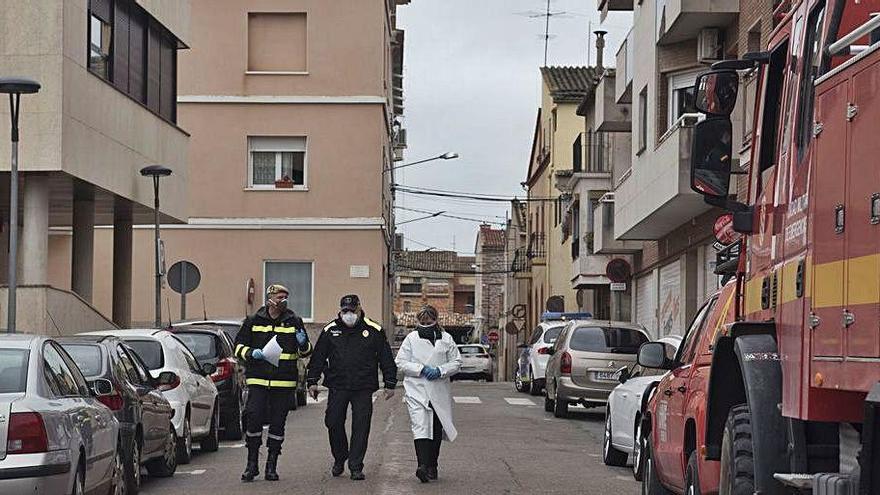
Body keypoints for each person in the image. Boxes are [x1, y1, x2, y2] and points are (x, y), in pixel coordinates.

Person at [306, 294, 398, 481]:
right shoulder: (330, 330)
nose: (348, 314)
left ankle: (356, 465)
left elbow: (386, 357)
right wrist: (312, 380)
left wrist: (390, 382)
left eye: (352, 311)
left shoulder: (373, 330)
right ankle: (340, 457)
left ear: (359, 309)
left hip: (363, 386)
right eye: (345, 311)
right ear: (340, 311)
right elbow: (318, 357)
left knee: (361, 427)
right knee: (333, 421)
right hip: (338, 385)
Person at [234, 284, 312, 482]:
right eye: (279, 297)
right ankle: (252, 464)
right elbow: (238, 347)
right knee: (254, 417)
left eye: (286, 297)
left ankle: (271, 465)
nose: (283, 301)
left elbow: (305, 352)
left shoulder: (294, 321)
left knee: (278, 424)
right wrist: (251, 353)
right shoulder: (253, 321)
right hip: (258, 380)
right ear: (270, 299)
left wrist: (303, 343)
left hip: (283, 382)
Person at [395, 305, 462, 483]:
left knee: (436, 429)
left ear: (436, 320)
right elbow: (400, 362)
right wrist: (421, 369)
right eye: (422, 322)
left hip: (439, 390)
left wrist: (440, 370)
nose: (425, 325)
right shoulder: (411, 338)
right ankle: (422, 466)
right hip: (417, 389)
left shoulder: (447, 339)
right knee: (420, 426)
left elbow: (456, 362)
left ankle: (433, 465)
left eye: (429, 322)